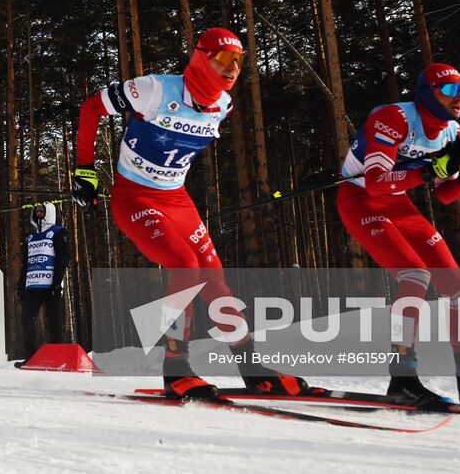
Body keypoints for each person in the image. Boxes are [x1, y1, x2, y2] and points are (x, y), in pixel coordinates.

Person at [72, 27, 306, 400]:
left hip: (177, 200)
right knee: (185, 265)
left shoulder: (224, 105)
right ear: (201, 57)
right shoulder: (153, 90)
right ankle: (174, 366)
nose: (232, 68)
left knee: (213, 278)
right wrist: (85, 170)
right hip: (135, 199)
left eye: (239, 61)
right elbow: (90, 108)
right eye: (223, 58)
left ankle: (251, 366)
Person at [337, 63, 460, 408]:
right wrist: (430, 170)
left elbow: (444, 195)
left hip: (399, 204)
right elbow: (375, 181)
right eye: (450, 90)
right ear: (426, 93)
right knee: (414, 274)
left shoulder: (452, 131)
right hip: (361, 199)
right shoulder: (394, 119)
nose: (459, 97)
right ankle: (402, 378)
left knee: (458, 286)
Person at [18, 202, 69, 363]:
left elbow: (63, 258)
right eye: (37, 211)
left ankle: (57, 357)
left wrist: (57, 282)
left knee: (54, 320)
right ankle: (31, 357)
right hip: (32, 286)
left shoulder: (58, 232)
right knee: (27, 319)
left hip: (50, 285)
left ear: (49, 213)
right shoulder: (30, 236)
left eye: (42, 211)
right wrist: (21, 284)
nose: (39, 213)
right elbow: (26, 262)